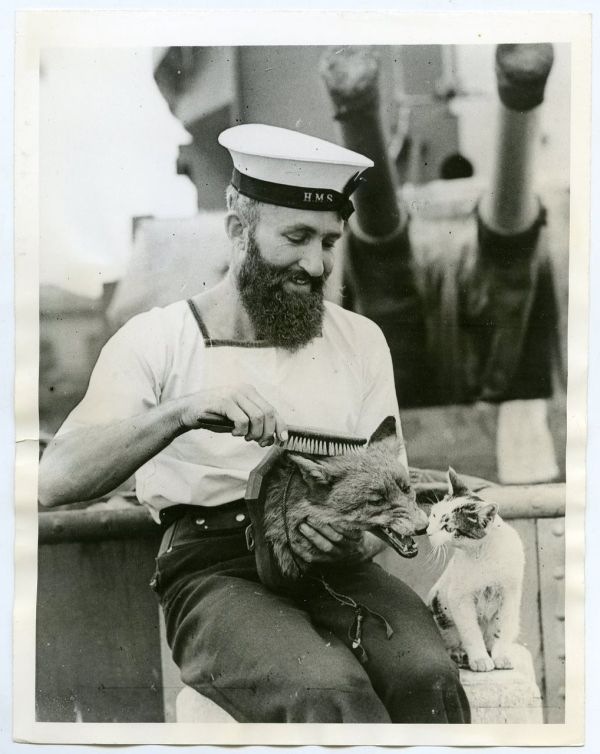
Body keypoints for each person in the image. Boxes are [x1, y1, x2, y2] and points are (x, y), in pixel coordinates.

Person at [38, 124, 470, 724]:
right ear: (239, 229)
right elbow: (54, 479)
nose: (315, 264)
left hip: (337, 564)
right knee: (324, 690)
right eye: (296, 237)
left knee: (427, 678)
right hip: (214, 572)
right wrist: (182, 412)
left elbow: (390, 497)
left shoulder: (360, 341)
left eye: (328, 241)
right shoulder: (156, 339)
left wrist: (358, 538)